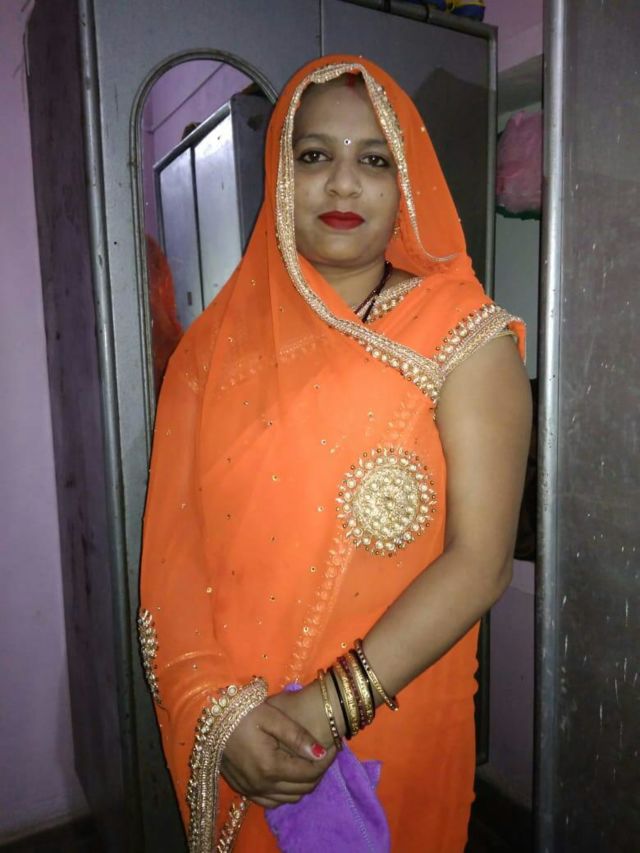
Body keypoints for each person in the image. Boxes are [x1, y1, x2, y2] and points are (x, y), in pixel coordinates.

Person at [138, 54, 531, 852]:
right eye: (315, 155)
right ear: (281, 175)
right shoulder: (209, 354)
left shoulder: (463, 336)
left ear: (407, 181)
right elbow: (172, 560)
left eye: (374, 160)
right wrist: (224, 717)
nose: (343, 184)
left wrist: (325, 709)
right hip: (242, 726)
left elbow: (481, 560)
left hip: (395, 716)